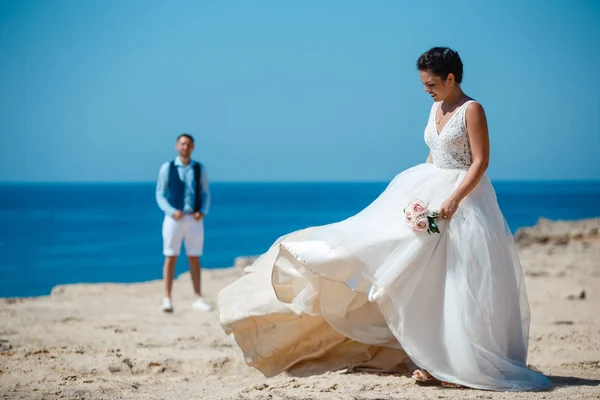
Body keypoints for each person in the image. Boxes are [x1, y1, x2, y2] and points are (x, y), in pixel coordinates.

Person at [217, 48, 552, 391]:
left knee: (458, 283)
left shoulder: (472, 109)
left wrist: (452, 200)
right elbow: (435, 153)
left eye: (432, 83)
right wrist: (419, 195)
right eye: (424, 83)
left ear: (451, 78)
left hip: (464, 202)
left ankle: (460, 364)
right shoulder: (435, 106)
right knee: (419, 279)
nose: (426, 89)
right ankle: (432, 357)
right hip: (430, 194)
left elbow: (480, 162)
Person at [156, 133, 212, 313]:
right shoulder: (167, 168)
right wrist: (172, 211)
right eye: (182, 144)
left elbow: (204, 192)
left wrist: (202, 211)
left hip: (194, 219)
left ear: (193, 147)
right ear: (176, 146)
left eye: (188, 144)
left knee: (194, 257)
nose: (185, 147)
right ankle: (167, 298)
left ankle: (198, 297)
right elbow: (160, 193)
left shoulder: (199, 169)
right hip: (174, 219)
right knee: (170, 256)